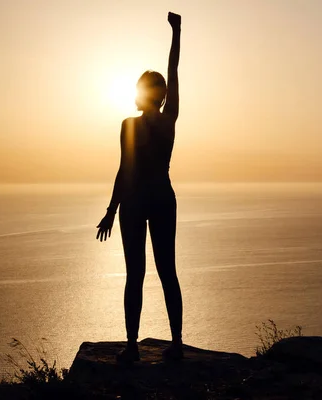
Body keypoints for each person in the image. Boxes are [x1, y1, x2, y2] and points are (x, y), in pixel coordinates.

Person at [96, 12, 183, 363]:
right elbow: (123, 168)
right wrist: (110, 210)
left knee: (148, 272)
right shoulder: (162, 122)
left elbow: (124, 170)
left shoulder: (152, 122)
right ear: (158, 95)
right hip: (155, 199)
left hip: (140, 201)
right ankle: (156, 343)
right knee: (156, 272)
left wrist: (177, 34)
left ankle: (143, 345)